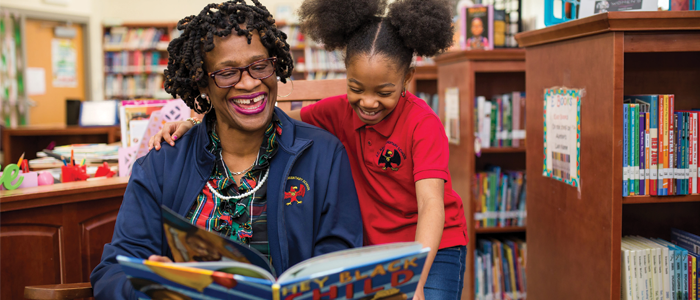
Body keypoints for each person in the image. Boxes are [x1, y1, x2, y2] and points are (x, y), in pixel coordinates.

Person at [149, 0, 468, 298]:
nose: (368, 103)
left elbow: (431, 205)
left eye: (384, 92)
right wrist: (196, 122)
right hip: (373, 247)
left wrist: (417, 281)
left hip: (431, 248)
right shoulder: (337, 111)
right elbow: (267, 118)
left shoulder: (423, 124)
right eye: (356, 88)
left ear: (408, 79)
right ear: (346, 73)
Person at [90, 1, 363, 299]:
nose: (249, 84)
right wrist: (153, 287)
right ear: (202, 84)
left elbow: (341, 265)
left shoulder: (324, 156)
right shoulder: (161, 164)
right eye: (227, 73)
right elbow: (113, 271)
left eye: (260, 66)